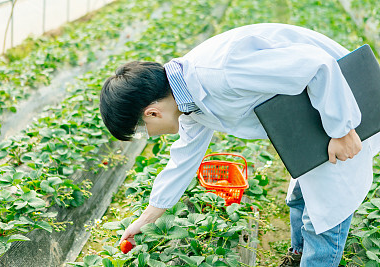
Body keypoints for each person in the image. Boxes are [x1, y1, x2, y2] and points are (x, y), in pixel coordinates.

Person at [99, 23, 380, 266]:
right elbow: (182, 162)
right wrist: (148, 217)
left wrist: (342, 129)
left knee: (328, 215)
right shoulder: (186, 100)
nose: (149, 135)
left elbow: (317, 65)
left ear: (151, 113)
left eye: (142, 130)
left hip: (339, 98)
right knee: (301, 196)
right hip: (307, 114)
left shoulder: (222, 72)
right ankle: (298, 255)